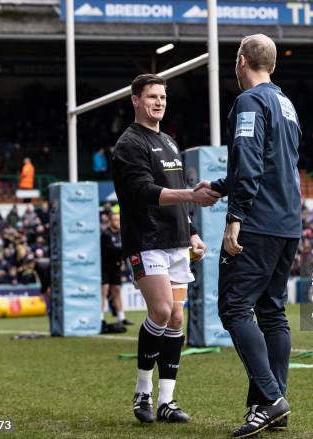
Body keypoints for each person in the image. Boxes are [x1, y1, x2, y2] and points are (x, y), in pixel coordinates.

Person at [196, 34, 300, 438]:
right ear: (271, 64)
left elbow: (251, 157)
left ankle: (271, 398)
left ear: (241, 61)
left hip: (258, 222)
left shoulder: (249, 101)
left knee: (235, 308)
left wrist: (234, 215)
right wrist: (223, 185)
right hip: (287, 222)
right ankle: (272, 405)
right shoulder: (286, 105)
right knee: (272, 312)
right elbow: (277, 163)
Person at [112, 73, 221, 425]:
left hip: (176, 242)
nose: (158, 102)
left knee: (176, 317)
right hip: (147, 241)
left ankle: (166, 401)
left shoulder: (171, 143)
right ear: (135, 100)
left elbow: (176, 195)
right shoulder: (129, 144)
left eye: (162, 97)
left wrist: (191, 232)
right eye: (151, 96)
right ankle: (142, 390)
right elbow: (143, 191)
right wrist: (192, 195)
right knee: (160, 311)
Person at [100, 211, 132, 328]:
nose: (118, 222)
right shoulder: (105, 234)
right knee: (104, 291)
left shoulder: (121, 234)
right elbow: (113, 250)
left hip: (116, 266)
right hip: (105, 267)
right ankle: (100, 318)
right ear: (110, 221)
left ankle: (121, 318)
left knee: (117, 291)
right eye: (115, 220)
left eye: (119, 220)